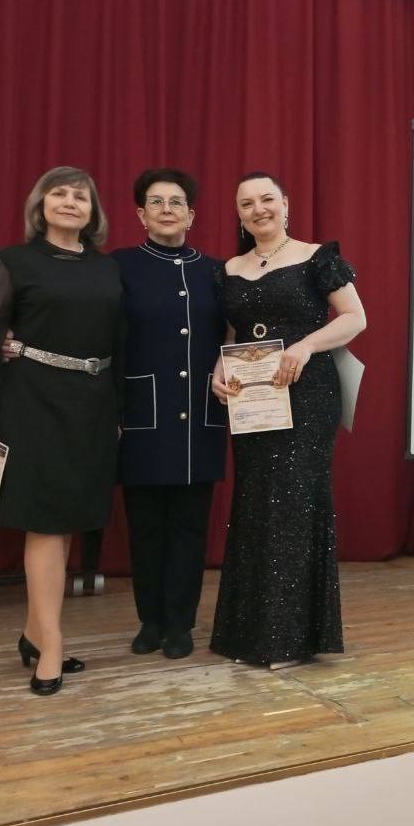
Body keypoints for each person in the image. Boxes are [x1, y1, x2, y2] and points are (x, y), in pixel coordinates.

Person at [0, 167, 124, 696]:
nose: (70, 202)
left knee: (65, 520)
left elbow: (121, 337)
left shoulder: (108, 269)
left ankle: (33, 632)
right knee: (46, 524)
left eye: (81, 196)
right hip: (32, 401)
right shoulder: (14, 261)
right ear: (40, 205)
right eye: (59, 193)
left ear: (93, 211)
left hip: (93, 405)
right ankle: (51, 645)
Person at [208, 171, 366, 669]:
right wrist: (218, 370)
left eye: (267, 199)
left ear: (285, 204)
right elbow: (232, 331)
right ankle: (248, 634)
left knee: (295, 502)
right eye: (247, 203)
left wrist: (305, 345)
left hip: (308, 394)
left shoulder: (317, 258)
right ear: (238, 214)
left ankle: (290, 639)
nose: (259, 209)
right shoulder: (229, 269)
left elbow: (355, 318)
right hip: (253, 397)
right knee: (256, 501)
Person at [108, 169, 228, 658]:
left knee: (189, 528)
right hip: (142, 417)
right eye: (156, 202)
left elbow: (238, 333)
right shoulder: (118, 266)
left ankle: (180, 624)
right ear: (140, 214)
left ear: (191, 215)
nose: (166, 210)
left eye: (176, 202)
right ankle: (150, 620)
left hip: (200, 415)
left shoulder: (216, 272)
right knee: (146, 527)